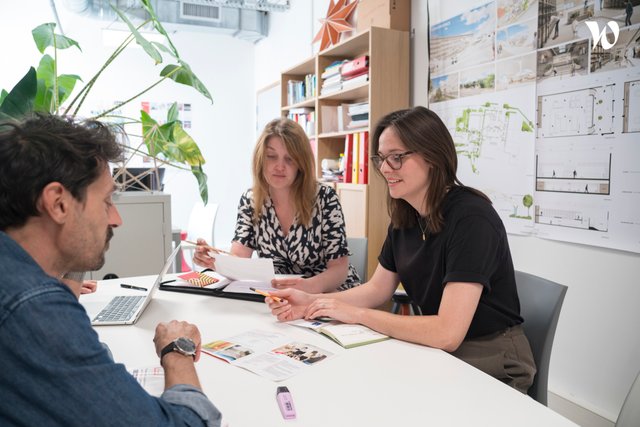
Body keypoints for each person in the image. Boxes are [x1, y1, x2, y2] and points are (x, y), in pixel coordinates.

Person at [266, 107, 536, 393]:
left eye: (396, 157)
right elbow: (377, 290)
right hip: (442, 351)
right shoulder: (406, 216)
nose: (385, 169)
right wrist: (310, 301)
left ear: (432, 156)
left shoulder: (472, 218)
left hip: (493, 358)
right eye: (381, 158)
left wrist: (356, 314)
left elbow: (447, 333)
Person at [0, 114, 222, 426]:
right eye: (107, 201)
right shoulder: (33, 307)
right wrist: (177, 350)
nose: (116, 219)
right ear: (58, 203)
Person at [194, 117, 360, 292]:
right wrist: (216, 260)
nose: (280, 166)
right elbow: (239, 257)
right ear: (260, 159)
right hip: (280, 295)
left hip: (328, 293)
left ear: (301, 164)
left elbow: (339, 270)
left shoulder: (325, 198)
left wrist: (306, 288)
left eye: (290, 159)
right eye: (271, 157)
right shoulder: (251, 201)